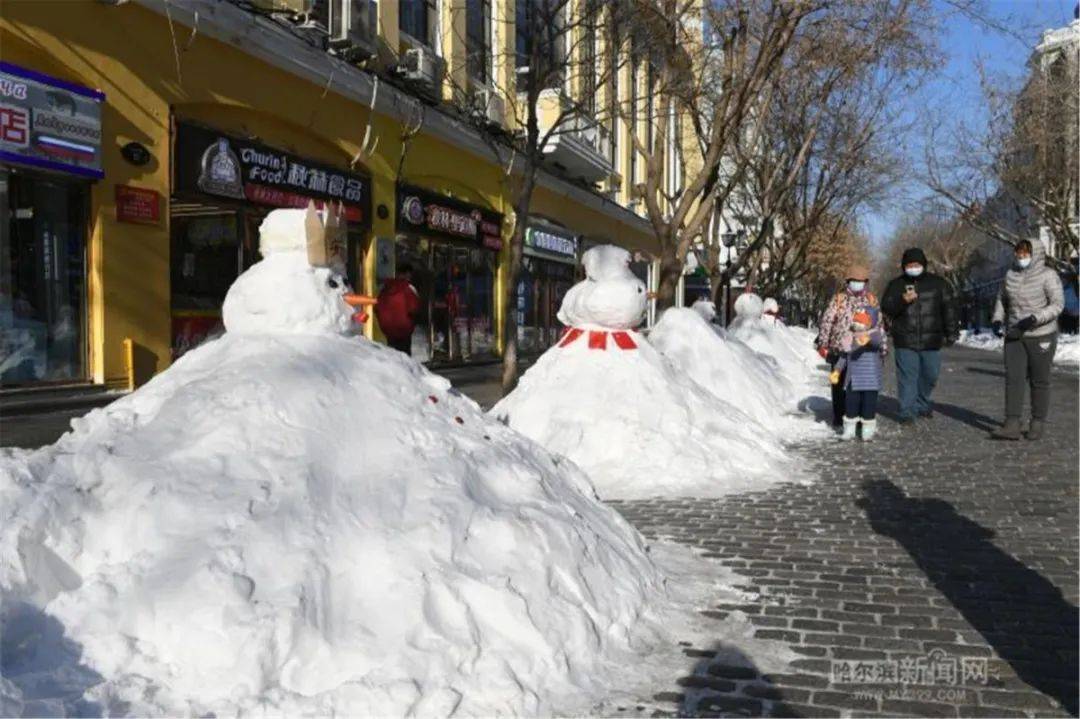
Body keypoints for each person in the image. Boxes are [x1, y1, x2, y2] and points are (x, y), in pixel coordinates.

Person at [989, 240, 1065, 440]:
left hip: (1041, 335)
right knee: (1013, 379)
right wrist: (997, 319)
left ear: (1036, 254)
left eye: (1025, 254)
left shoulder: (1049, 276)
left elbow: (1057, 304)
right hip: (1014, 334)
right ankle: (1012, 423)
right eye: (1019, 254)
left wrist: (1034, 319)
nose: (1021, 258)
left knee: (1039, 380)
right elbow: (1001, 299)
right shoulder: (1010, 274)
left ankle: (1037, 421)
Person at [880, 248, 958, 424]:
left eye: (916, 265)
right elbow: (886, 308)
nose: (913, 268)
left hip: (932, 339)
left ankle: (922, 403)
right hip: (904, 339)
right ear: (903, 266)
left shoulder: (939, 284)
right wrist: (902, 300)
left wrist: (951, 331)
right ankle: (907, 411)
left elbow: (949, 309)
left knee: (930, 375)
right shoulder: (896, 285)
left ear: (923, 264)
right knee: (907, 377)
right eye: (909, 265)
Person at [815, 264, 879, 432]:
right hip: (839, 348)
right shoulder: (839, 299)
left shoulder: (871, 300)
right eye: (854, 281)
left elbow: (879, 325)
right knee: (838, 384)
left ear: (865, 282)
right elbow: (827, 321)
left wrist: (879, 346)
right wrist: (823, 343)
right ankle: (839, 417)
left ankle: (856, 417)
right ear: (848, 282)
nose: (857, 284)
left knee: (857, 386)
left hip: (861, 352)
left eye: (861, 281)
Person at [830, 308, 886, 441]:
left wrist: (866, 338)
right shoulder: (849, 337)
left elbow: (876, 342)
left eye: (862, 322)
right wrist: (837, 371)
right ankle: (849, 430)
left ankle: (867, 432)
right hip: (853, 380)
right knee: (851, 407)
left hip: (870, 381)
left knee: (868, 409)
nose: (858, 325)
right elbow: (844, 356)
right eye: (857, 321)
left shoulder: (876, 333)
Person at [375, 263, 421, 356]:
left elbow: (377, 306)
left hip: (388, 329)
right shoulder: (408, 288)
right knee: (405, 355)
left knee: (393, 354)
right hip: (404, 328)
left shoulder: (386, 288)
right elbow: (414, 308)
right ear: (407, 274)